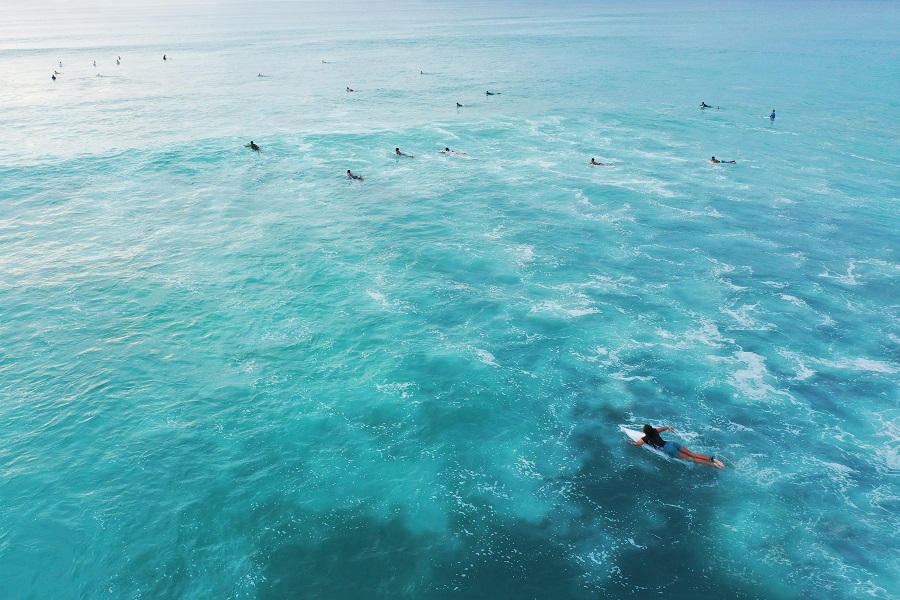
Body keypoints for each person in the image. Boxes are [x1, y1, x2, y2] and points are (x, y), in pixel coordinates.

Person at [632, 425, 724, 468]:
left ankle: (714, 465)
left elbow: (636, 444)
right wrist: (669, 427)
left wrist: (628, 442)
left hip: (667, 449)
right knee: (693, 454)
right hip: (671, 443)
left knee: (691, 459)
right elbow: (664, 428)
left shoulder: (646, 438)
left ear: (645, 432)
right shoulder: (655, 431)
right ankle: (712, 459)